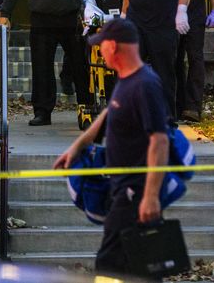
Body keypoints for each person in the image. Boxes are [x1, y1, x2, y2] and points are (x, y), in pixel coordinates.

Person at [52, 18, 169, 278]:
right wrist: (77, 147)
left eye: (101, 45)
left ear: (114, 47)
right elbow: (107, 116)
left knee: (109, 261)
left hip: (135, 191)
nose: (98, 50)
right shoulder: (124, 81)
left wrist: (150, 196)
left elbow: (159, 141)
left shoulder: (145, 84)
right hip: (121, 187)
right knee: (146, 268)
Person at [0, 0, 94, 126]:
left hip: (72, 19)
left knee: (80, 66)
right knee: (41, 68)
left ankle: (86, 108)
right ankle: (42, 112)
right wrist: (4, 13)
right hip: (42, 21)